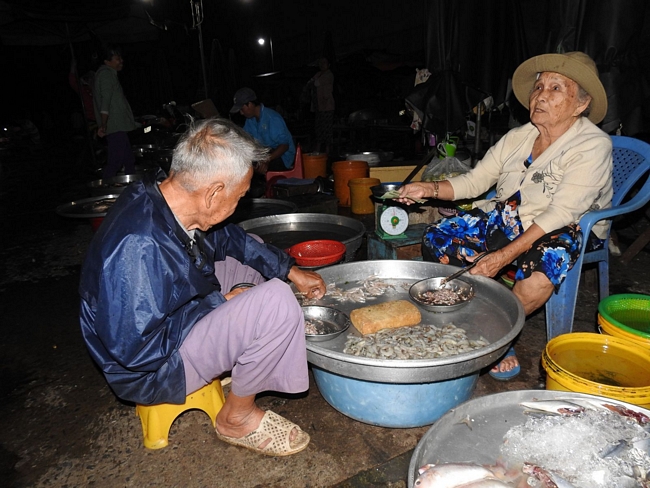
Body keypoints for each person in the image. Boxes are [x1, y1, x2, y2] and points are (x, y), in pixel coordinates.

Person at [79, 118, 326, 456]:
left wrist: (290, 270)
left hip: (171, 323)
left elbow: (229, 237)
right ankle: (235, 418)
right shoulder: (137, 248)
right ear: (213, 193)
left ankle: (243, 342)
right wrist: (216, 305)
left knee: (248, 250)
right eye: (238, 196)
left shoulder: (168, 198)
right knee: (277, 303)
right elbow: (134, 351)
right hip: (153, 370)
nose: (240, 204)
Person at [397, 51, 612, 380]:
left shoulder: (593, 145)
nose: (540, 95)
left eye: (556, 88)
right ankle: (471, 317)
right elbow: (476, 181)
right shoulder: (518, 137)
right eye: (539, 86)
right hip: (512, 216)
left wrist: (502, 256)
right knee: (437, 237)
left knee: (541, 271)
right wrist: (428, 188)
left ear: (581, 104)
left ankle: (498, 336)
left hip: (566, 225)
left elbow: (563, 211)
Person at [93, 44, 136, 179]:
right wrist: (104, 124)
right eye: (117, 58)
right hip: (114, 126)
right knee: (115, 162)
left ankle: (133, 191)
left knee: (128, 160)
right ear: (107, 61)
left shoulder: (109, 74)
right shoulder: (106, 75)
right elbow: (105, 101)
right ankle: (105, 189)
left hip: (118, 126)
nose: (121, 60)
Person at [229, 87, 296, 174]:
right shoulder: (250, 120)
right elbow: (244, 140)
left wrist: (266, 160)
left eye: (242, 109)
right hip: (266, 152)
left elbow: (284, 146)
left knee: (253, 169)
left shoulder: (272, 118)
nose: (241, 113)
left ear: (249, 104)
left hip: (283, 157)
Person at [309, 57, 335, 154]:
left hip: (327, 106)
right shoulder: (318, 74)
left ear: (328, 64)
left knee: (327, 128)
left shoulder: (329, 75)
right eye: (320, 63)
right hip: (318, 107)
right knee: (318, 128)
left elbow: (316, 83)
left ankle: (327, 150)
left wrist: (313, 82)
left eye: (324, 62)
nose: (322, 64)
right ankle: (318, 148)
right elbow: (310, 83)